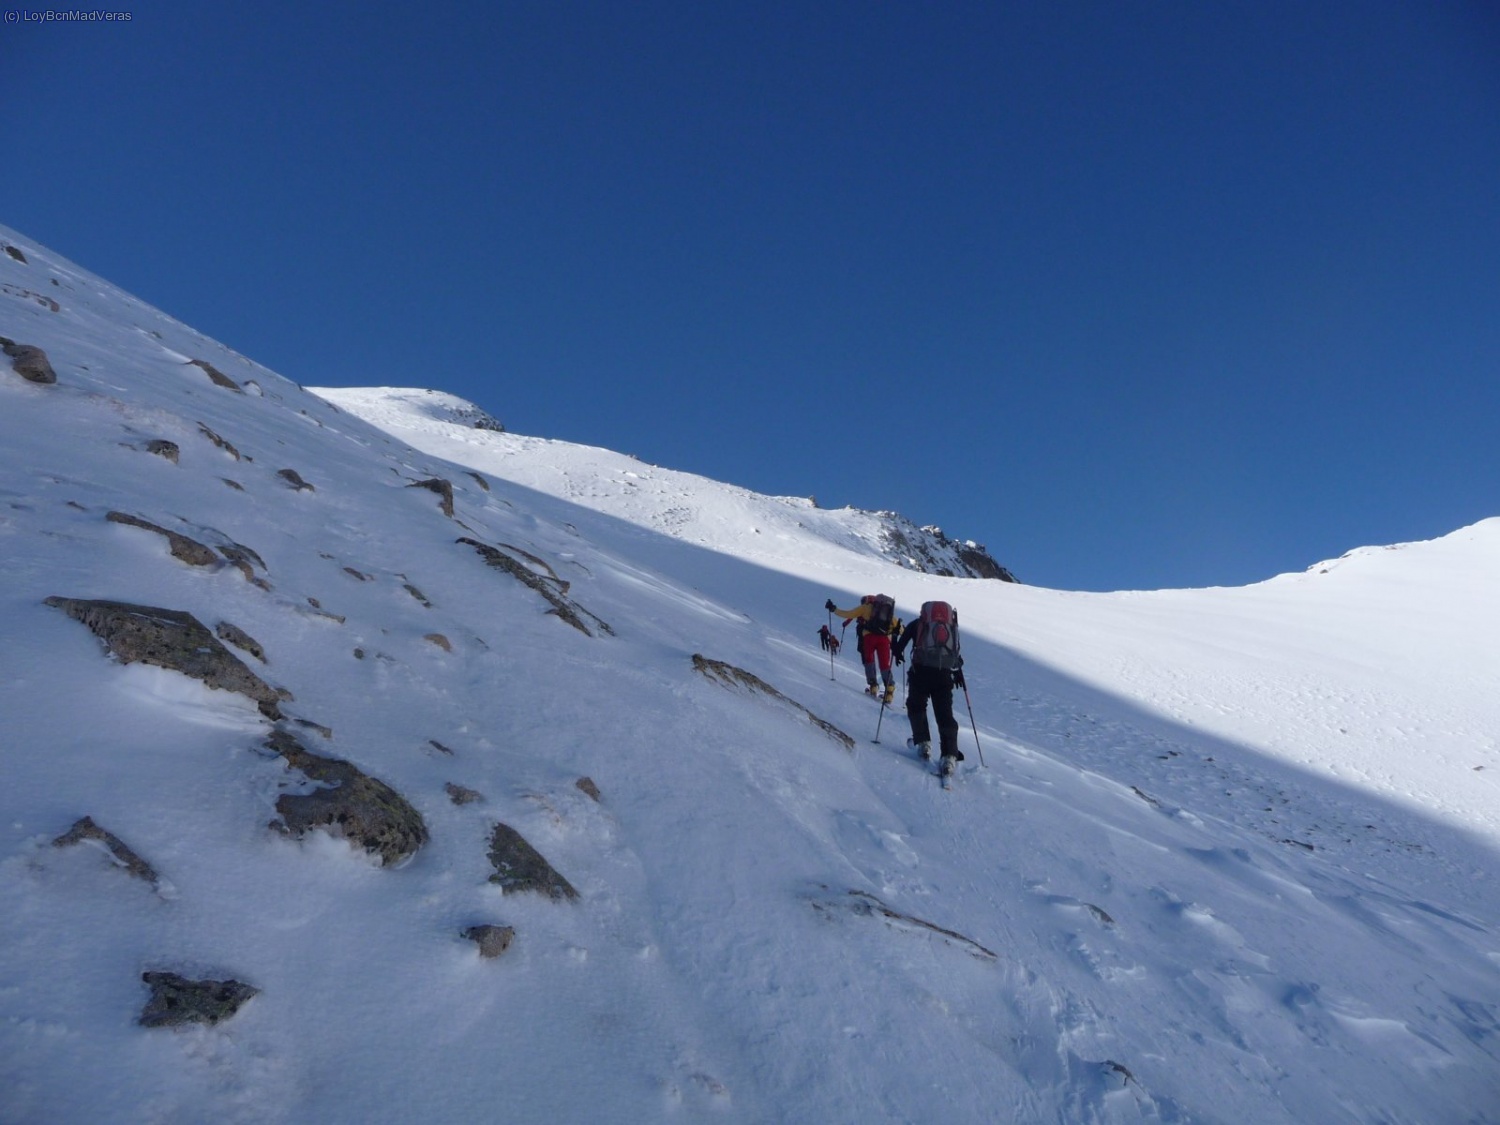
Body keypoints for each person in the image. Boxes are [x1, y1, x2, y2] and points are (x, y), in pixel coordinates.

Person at [892, 601, 965, 778]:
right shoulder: (949, 628)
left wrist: (896, 645)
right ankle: (949, 755)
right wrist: (958, 673)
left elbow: (898, 648)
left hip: (920, 673)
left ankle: (923, 742)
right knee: (944, 714)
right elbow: (955, 653)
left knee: (916, 706)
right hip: (944, 675)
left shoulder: (917, 624)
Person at [825, 595, 898, 703]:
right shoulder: (887, 612)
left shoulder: (865, 608)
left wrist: (834, 609)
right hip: (884, 640)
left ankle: (873, 686)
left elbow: (849, 614)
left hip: (869, 638)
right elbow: (898, 626)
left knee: (869, 660)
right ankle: (890, 691)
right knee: (884, 664)